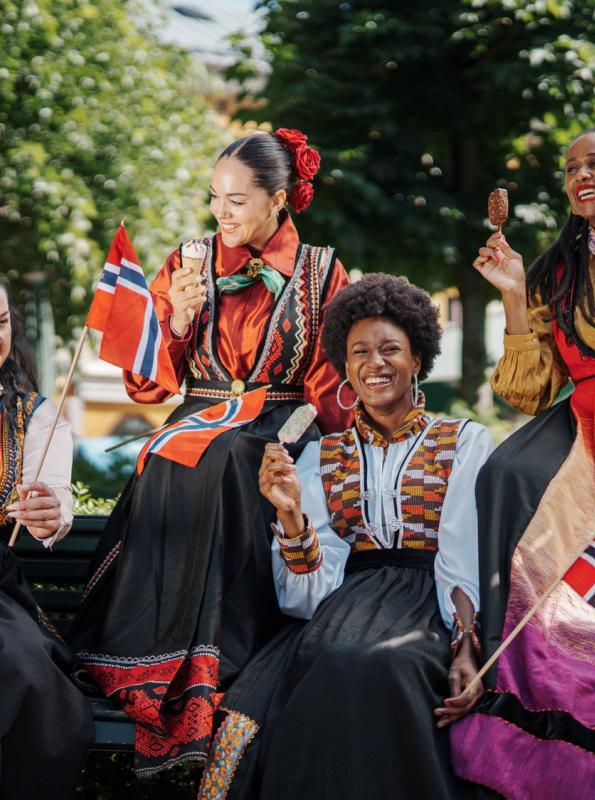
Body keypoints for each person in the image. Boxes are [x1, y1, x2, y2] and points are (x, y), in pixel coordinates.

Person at [69, 128, 351, 777]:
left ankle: (228, 658)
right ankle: (160, 660)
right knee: (183, 452)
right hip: (200, 410)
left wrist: (309, 418)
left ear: (279, 200)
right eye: (214, 200)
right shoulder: (190, 261)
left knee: (232, 459)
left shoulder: (320, 270)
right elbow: (149, 381)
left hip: (283, 418)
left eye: (236, 202)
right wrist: (175, 321)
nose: (221, 215)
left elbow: (332, 380)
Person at [197, 273, 495, 800]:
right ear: (345, 366)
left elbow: (462, 553)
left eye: (390, 349)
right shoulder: (321, 454)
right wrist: (291, 517)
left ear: (418, 358)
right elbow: (306, 596)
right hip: (342, 605)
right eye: (360, 352)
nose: (375, 363)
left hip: (429, 603)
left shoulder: (464, 440)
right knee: (335, 660)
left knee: (388, 662)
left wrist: (466, 646)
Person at [451, 128, 595, 799]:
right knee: (506, 472)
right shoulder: (556, 270)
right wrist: (514, 292)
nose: (581, 176)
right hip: (581, 422)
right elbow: (527, 390)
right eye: (572, 168)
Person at [0, 285, 93, 799]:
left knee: (21, 666)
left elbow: (53, 499)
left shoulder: (36, 417)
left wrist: (48, 513)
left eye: (1, 321)